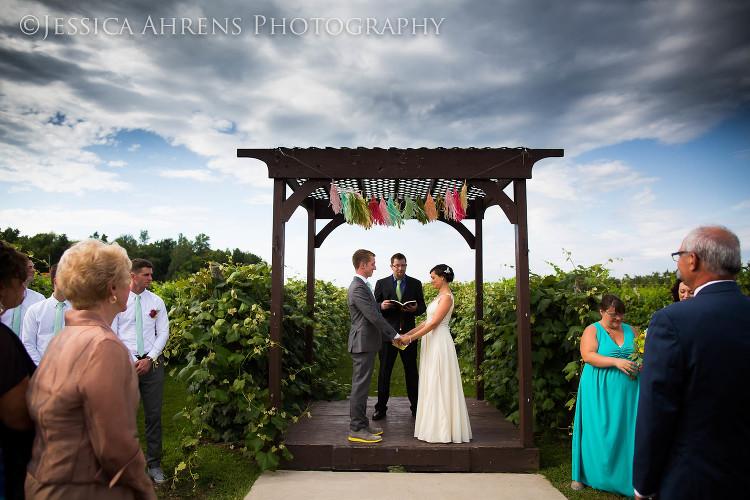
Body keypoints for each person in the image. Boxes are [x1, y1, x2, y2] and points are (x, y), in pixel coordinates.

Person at [24, 239, 156, 499]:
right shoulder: (104, 346)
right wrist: (144, 490)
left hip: (47, 483)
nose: (130, 287)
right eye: (125, 280)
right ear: (113, 289)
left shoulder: (64, 337)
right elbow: (116, 448)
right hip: (83, 489)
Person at [633, 226, 750, 499]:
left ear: (693, 260)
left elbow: (657, 410)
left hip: (694, 479)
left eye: (678, 255)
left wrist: (644, 484)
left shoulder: (672, 320)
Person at [571, 294, 639, 496]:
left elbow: (641, 354)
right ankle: (593, 474)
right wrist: (616, 362)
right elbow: (588, 356)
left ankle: (626, 476)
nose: (618, 319)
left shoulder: (632, 331)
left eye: (621, 315)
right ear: (601, 312)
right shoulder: (592, 330)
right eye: (613, 315)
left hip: (628, 390)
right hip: (598, 388)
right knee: (600, 429)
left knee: (626, 431)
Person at [112, 258, 170, 484]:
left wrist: (149, 359)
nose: (151, 278)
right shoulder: (118, 301)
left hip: (152, 365)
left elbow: (163, 331)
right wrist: (130, 360)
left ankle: (154, 464)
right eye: (146, 274)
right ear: (133, 275)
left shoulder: (156, 301)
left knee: (153, 416)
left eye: (151, 274)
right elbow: (113, 332)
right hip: (123, 365)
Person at [405, 264, 472, 443]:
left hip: (440, 341)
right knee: (431, 380)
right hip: (431, 340)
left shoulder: (447, 297)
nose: (431, 280)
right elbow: (426, 322)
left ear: (443, 278)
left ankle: (443, 429)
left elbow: (434, 324)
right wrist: (407, 334)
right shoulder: (439, 296)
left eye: (433, 277)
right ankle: (432, 426)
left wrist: (411, 340)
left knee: (439, 380)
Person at [347, 249, 406, 444]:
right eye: (372, 263)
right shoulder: (358, 287)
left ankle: (362, 424)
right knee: (359, 388)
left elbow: (373, 312)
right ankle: (356, 429)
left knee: (362, 387)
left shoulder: (362, 285)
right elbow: (373, 315)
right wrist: (395, 335)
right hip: (362, 343)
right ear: (362, 265)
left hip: (367, 343)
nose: (375, 266)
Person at [0, 241, 36, 500]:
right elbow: (17, 416)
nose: (24, 285)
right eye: (19, 279)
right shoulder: (2, 342)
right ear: (3, 284)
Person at [372, 253, 426, 420]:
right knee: (384, 372)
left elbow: (422, 306)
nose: (400, 268)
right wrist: (382, 305)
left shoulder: (416, 283)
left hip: (409, 334)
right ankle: (380, 408)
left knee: (411, 371)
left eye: (403, 265)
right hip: (388, 335)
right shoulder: (381, 283)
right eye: (397, 266)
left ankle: (416, 408)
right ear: (391, 266)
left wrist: (414, 309)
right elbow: (373, 306)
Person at [21, 264, 72, 365]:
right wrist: (40, 368)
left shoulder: (79, 311)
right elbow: (28, 343)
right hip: (40, 368)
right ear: (56, 281)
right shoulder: (35, 310)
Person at [1, 257, 44, 337]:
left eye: (33, 267)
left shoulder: (39, 299)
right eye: (29, 268)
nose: (34, 270)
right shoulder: (2, 297)